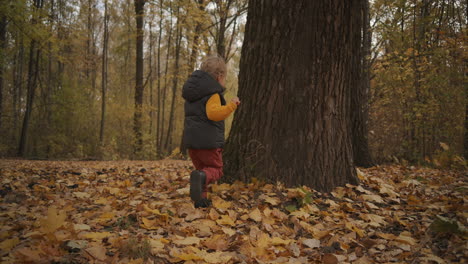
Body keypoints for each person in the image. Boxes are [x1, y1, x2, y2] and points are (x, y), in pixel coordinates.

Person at [182, 55, 240, 208]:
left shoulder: (192, 95)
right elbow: (213, 114)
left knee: (201, 171)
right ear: (219, 76)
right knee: (215, 170)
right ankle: (202, 179)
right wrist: (231, 106)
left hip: (192, 143)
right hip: (208, 143)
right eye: (225, 78)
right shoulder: (212, 94)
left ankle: (201, 201)